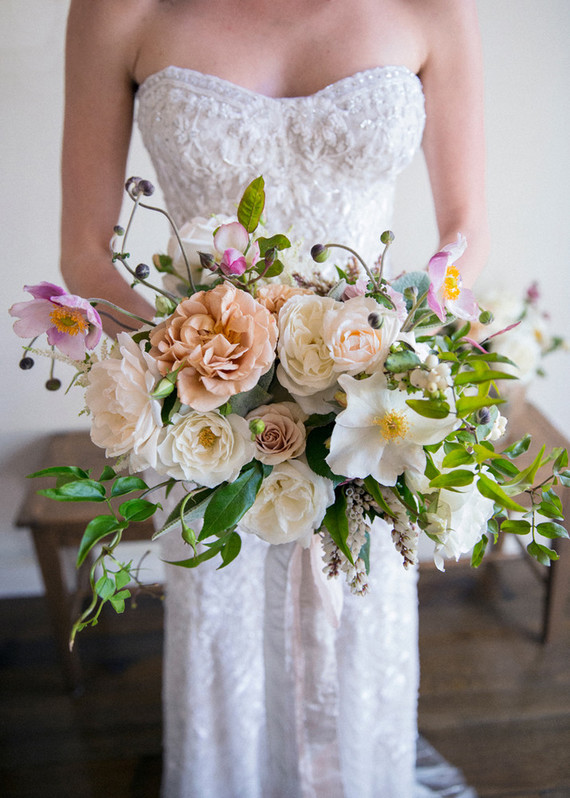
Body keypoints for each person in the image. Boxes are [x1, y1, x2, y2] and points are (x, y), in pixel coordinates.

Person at [61, 1, 489, 796]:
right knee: (222, 637)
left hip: (371, 404)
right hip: (202, 413)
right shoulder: (116, 10)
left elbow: (463, 228)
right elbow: (84, 249)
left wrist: (407, 352)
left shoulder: (432, 9)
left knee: (360, 620)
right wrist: (186, 368)